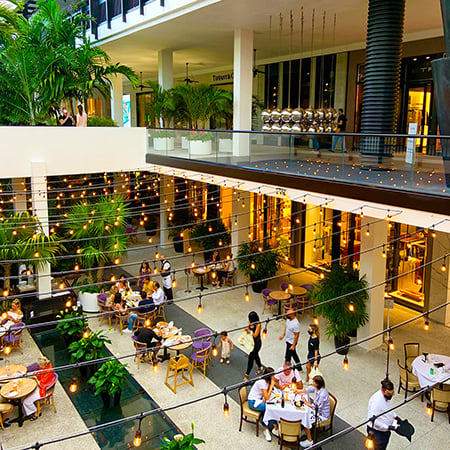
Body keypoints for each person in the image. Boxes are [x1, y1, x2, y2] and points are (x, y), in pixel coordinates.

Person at [298, 375, 331, 448]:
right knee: (304, 411)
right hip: (316, 410)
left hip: (321, 415)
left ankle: (310, 440)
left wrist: (306, 403)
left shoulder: (322, 395)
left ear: (317, 384)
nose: (312, 382)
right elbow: (310, 389)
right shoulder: (317, 388)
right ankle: (306, 430)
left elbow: (317, 408)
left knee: (306, 418)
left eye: (313, 382)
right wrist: (299, 391)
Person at [247, 367, 278, 442]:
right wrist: (271, 386)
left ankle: (273, 426)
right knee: (268, 408)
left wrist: (265, 396)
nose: (273, 377)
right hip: (253, 402)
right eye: (272, 376)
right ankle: (272, 427)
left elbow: (266, 395)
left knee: (272, 406)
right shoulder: (261, 382)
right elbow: (267, 397)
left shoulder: (267, 381)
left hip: (259, 399)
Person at [367, 378, 400, 450]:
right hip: (377, 432)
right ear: (383, 390)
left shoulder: (388, 398)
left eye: (392, 393)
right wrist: (387, 427)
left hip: (385, 431)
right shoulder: (377, 402)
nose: (390, 396)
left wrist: (395, 416)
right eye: (388, 393)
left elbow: (388, 409)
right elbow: (374, 421)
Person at [23, 356, 55, 421]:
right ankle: (31, 410)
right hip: (44, 387)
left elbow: (41, 384)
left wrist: (36, 379)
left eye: (39, 365)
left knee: (26, 401)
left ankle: (36, 412)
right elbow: (41, 374)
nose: (39, 366)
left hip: (44, 390)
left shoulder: (47, 372)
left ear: (42, 365)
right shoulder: (48, 366)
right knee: (25, 396)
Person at [243, 311, 264, 382]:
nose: (249, 320)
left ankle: (247, 374)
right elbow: (249, 328)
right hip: (251, 342)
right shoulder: (250, 322)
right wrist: (246, 330)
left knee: (251, 358)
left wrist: (249, 332)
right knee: (255, 355)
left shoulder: (258, 324)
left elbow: (255, 334)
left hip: (257, 343)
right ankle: (260, 366)